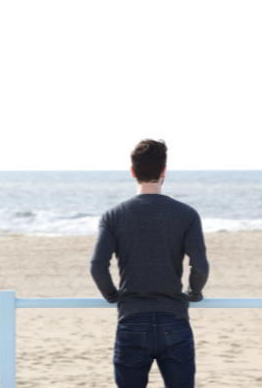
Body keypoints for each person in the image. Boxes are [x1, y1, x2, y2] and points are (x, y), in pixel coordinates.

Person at [90, 139, 210, 388]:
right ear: (164, 171)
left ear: (133, 172)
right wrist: (194, 293)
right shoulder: (187, 214)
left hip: (132, 319)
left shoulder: (114, 215)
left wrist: (113, 296)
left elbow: (97, 266)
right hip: (174, 319)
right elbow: (199, 266)